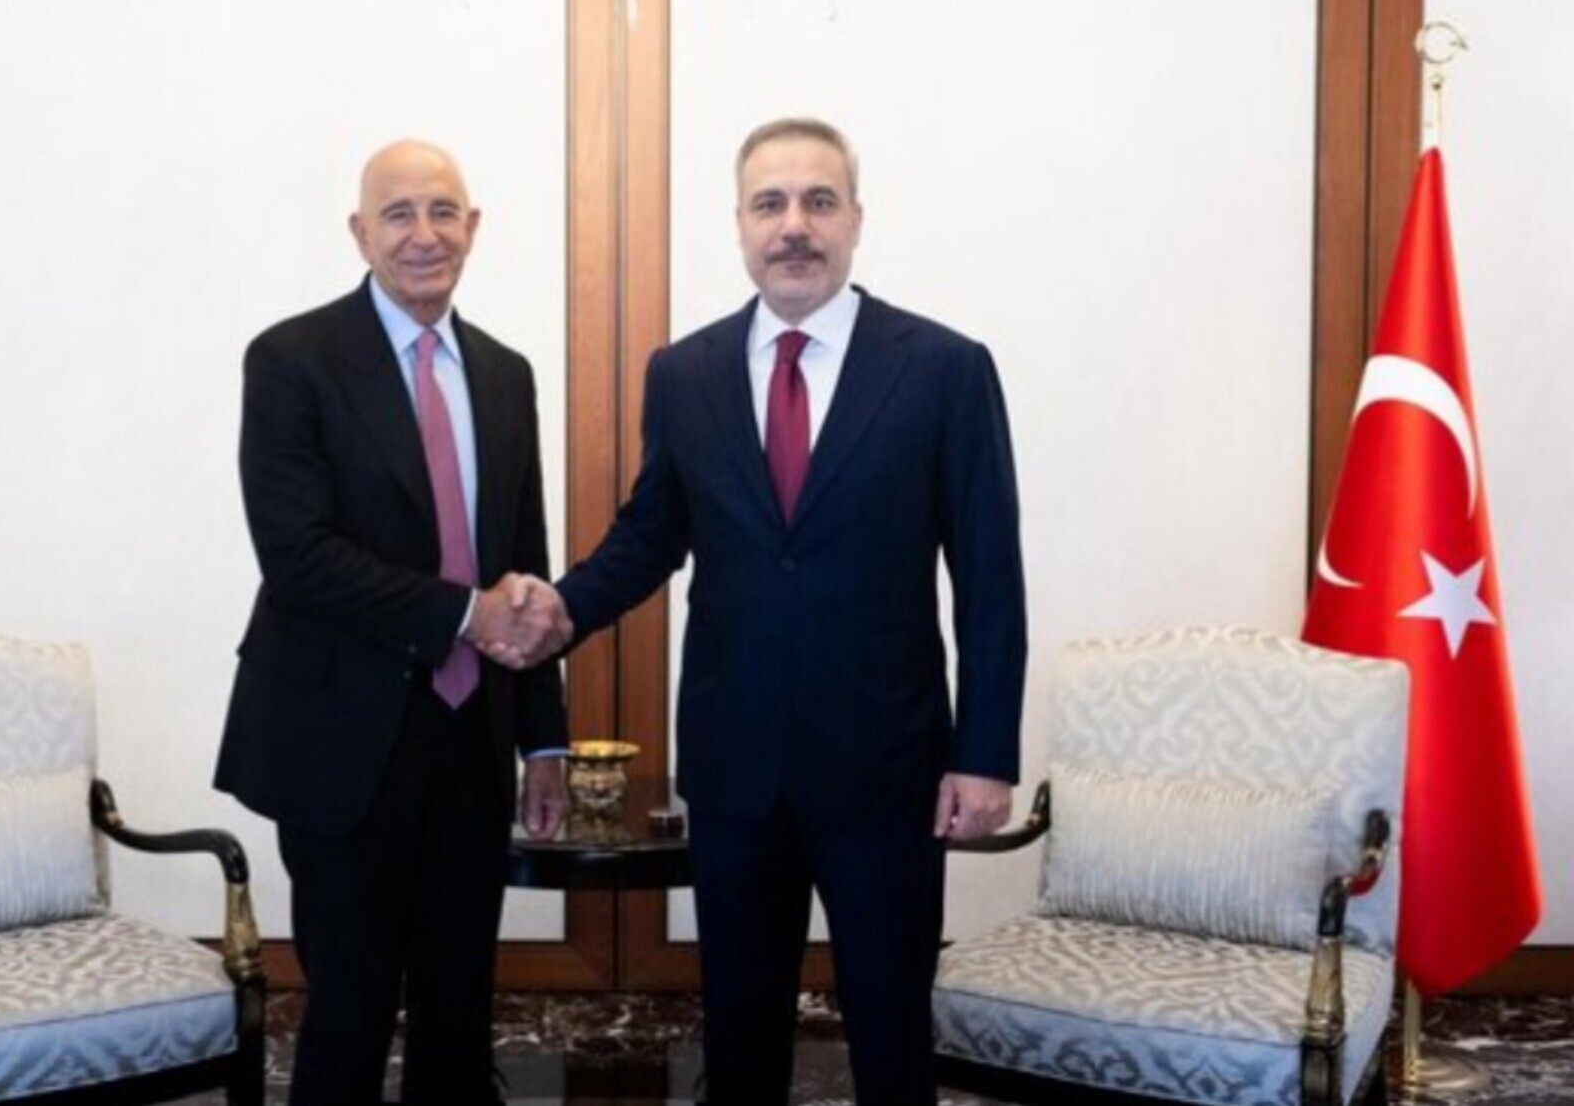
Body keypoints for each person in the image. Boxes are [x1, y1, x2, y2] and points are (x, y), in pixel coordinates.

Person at [507, 117, 1027, 1104]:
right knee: (740, 1039)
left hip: (889, 767)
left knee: (891, 1034)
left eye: (818, 201)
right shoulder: (685, 373)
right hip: (735, 766)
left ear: (856, 218)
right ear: (740, 224)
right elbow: (650, 535)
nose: (794, 225)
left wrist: (986, 751)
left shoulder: (945, 368)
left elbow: (991, 576)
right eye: (770, 203)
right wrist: (558, 609)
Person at [214, 139, 572, 1106]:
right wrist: (464, 612)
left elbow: (524, 567)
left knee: (460, 1015)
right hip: (342, 740)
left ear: (474, 227)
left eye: (444, 211)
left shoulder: (506, 374)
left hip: (472, 740)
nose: (424, 234)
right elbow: (297, 556)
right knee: (351, 1012)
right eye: (400, 213)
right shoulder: (292, 360)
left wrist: (544, 740)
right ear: (360, 232)